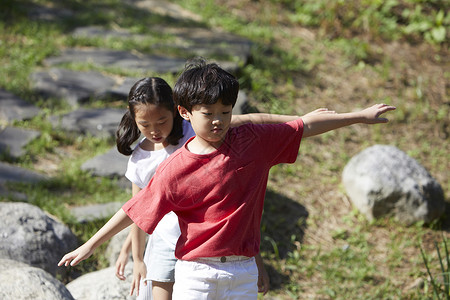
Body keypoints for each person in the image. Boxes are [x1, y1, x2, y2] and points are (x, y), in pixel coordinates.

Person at [58, 59, 396, 299]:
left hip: (243, 272)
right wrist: (92, 245)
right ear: (186, 113)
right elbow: (135, 208)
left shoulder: (251, 142)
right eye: (209, 114)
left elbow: (301, 128)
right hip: (196, 273)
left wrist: (359, 117)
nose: (218, 121)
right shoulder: (175, 167)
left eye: (225, 112)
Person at [112, 76, 325, 299]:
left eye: (162, 121)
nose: (154, 130)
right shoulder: (139, 159)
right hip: (166, 241)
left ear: (177, 111)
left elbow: (255, 120)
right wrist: (136, 257)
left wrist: (301, 119)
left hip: (210, 241)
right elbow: (139, 210)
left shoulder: (196, 129)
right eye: (145, 125)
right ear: (134, 119)